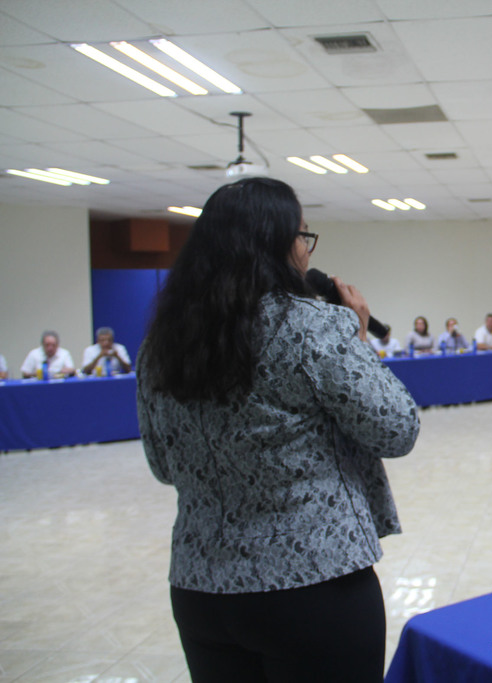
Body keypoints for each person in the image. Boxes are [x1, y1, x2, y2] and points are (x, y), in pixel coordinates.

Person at [135, 177, 420, 681]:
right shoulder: (312, 326)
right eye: (302, 235)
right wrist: (355, 336)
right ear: (275, 244)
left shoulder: (162, 343)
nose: (307, 252)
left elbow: (163, 466)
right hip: (313, 587)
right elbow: (397, 429)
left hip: (201, 589)